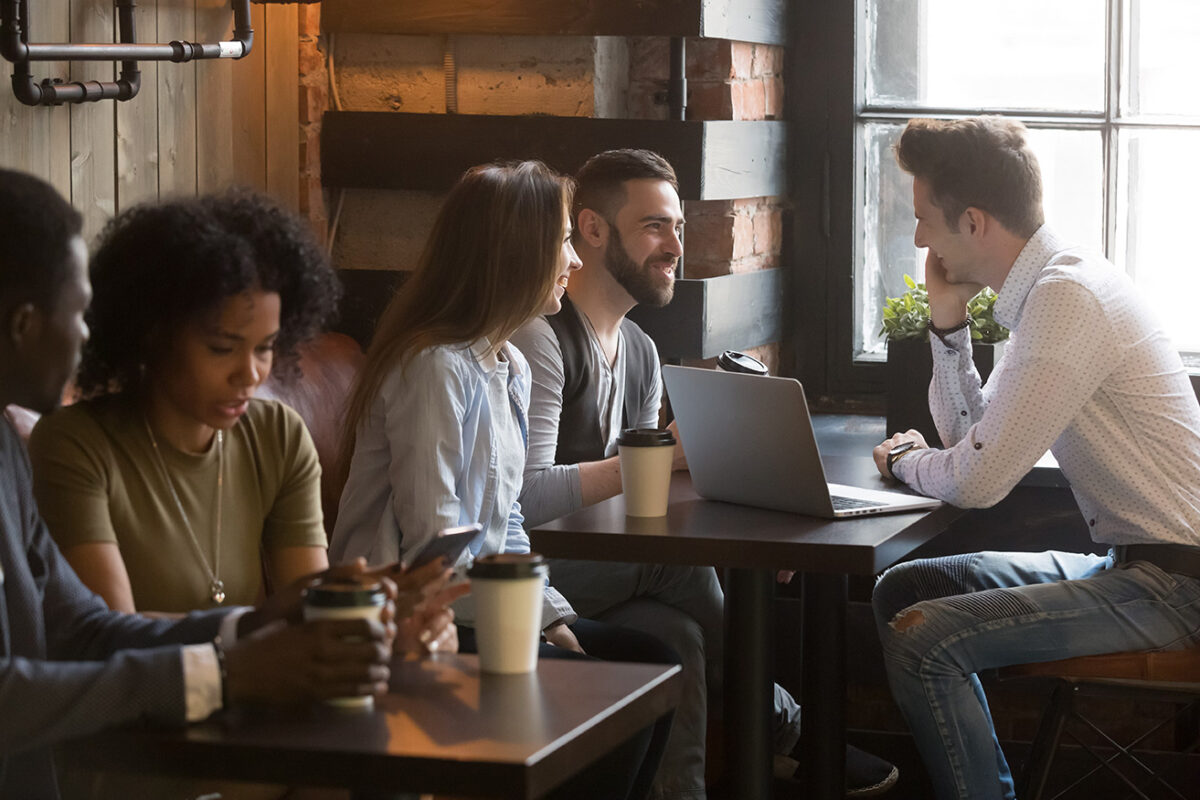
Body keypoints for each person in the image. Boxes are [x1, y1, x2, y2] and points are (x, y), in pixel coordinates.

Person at [0, 168, 461, 799]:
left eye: (266, 347)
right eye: (78, 314)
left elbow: (82, 631)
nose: (86, 336)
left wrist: (275, 619)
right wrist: (226, 668)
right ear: (25, 324)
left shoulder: (5, 447)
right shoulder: (67, 444)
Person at [510, 148, 898, 799]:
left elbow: (645, 492)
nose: (674, 247)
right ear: (593, 230)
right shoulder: (540, 340)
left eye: (679, 228)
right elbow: (523, 499)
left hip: (602, 565)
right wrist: (656, 458)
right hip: (531, 568)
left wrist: (761, 517)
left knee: (676, 635)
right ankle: (788, 725)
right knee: (682, 567)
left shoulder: (639, 349)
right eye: (656, 226)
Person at [870, 116, 1200, 800]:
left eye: (926, 219)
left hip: (1180, 588)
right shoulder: (1051, 289)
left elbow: (977, 480)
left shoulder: (1065, 300)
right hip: (1134, 565)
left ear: (975, 221)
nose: (919, 239)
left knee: (923, 639)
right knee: (906, 590)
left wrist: (907, 461)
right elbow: (976, 439)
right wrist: (948, 326)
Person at [330, 160, 677, 800]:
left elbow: (508, 520)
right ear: (513, 256)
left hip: (488, 603)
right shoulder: (433, 368)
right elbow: (437, 541)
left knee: (654, 667)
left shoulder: (507, 365)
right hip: (420, 615)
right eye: (561, 245)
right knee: (612, 693)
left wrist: (550, 618)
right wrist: (536, 631)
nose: (573, 261)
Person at [29, 191, 337, 615]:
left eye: (265, 348)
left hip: (262, 680)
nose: (249, 374)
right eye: (221, 348)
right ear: (153, 334)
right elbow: (108, 634)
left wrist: (390, 620)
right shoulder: (74, 444)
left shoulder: (278, 435)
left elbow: (310, 614)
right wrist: (258, 630)